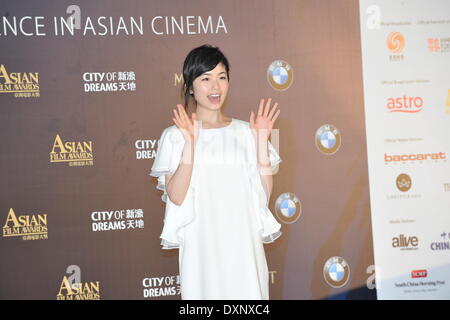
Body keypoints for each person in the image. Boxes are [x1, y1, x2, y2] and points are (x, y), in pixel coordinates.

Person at [150, 44, 282, 300]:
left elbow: (263, 197)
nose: (215, 87)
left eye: (222, 77)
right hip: (202, 252)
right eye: (206, 79)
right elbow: (176, 197)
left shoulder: (247, 131)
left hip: (244, 250)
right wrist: (190, 143)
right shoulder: (174, 136)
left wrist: (261, 141)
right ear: (190, 86)